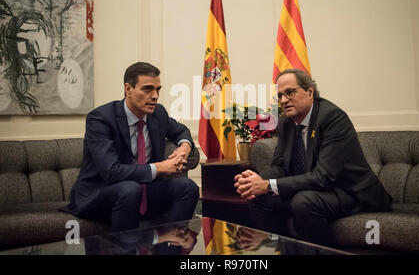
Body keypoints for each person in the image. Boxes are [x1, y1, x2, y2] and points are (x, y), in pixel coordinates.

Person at [234, 69, 392, 246]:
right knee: (257, 196)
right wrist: (256, 181)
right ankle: (280, 247)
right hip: (317, 190)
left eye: (290, 92)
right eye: (280, 96)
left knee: (304, 201)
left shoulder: (332, 118)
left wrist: (268, 185)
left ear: (310, 92)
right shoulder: (286, 122)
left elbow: (324, 177)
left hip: (351, 191)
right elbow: (281, 166)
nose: (284, 100)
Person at [63, 62, 199, 232]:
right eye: (148, 89)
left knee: (188, 187)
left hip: (142, 192)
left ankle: (170, 244)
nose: (155, 96)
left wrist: (185, 147)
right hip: (101, 194)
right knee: (129, 189)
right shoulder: (101, 119)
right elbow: (111, 171)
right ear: (128, 89)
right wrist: (160, 168)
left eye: (158, 89)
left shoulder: (158, 113)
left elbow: (182, 131)